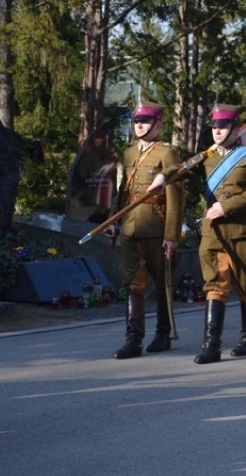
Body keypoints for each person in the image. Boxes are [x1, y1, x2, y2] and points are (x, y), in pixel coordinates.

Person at [148, 104, 246, 364]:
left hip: (242, 232)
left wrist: (226, 205)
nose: (217, 131)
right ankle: (211, 344)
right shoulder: (207, 156)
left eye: (223, 126)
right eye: (214, 126)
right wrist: (163, 177)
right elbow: (181, 169)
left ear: (235, 129)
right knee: (215, 286)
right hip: (213, 234)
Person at [106, 102, 185, 360]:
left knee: (163, 283)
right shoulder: (128, 154)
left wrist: (172, 235)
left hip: (157, 227)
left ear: (159, 125)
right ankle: (133, 339)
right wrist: (112, 223)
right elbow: (122, 191)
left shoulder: (166, 153)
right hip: (130, 227)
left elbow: (176, 196)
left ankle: (163, 333)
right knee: (133, 283)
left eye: (146, 121)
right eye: (137, 121)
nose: (140, 125)